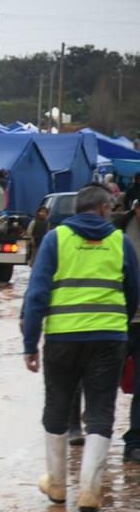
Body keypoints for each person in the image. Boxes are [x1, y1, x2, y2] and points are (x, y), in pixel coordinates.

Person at [23, 184, 140, 512]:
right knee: (101, 410)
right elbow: (134, 292)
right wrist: (118, 324)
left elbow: (36, 295)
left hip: (63, 337)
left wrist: (30, 343)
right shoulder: (120, 241)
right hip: (109, 337)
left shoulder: (55, 239)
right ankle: (90, 491)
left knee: (57, 405)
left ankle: (57, 486)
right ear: (104, 209)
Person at [114, 198, 140, 463]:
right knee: (105, 381)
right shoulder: (117, 231)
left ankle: (134, 443)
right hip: (117, 320)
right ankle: (96, 429)